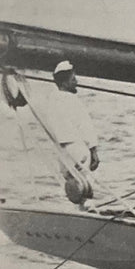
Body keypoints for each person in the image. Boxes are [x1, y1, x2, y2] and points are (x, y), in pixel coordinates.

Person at [43, 60, 100, 203]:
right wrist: (94, 151)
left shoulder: (51, 101)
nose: (77, 82)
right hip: (77, 148)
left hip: (63, 152)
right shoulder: (72, 101)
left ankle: (77, 210)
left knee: (72, 185)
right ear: (64, 83)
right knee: (85, 185)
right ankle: (87, 211)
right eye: (73, 79)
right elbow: (85, 126)